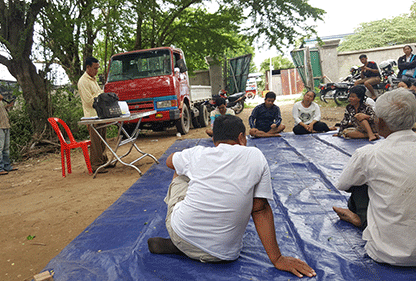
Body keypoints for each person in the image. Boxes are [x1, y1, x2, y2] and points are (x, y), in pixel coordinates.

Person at [148, 115, 316, 278]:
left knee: (181, 170)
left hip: (182, 236)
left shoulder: (197, 153)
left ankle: (183, 239)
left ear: (214, 139)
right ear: (241, 137)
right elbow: (260, 209)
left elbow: (169, 161)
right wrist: (277, 258)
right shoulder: (255, 156)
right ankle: (193, 241)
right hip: (223, 254)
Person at [332, 88, 416, 266]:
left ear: (382, 123)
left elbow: (344, 184)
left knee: (361, 183)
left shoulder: (369, 154)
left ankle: (361, 219)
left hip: (385, 253)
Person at [77, 57, 109, 173]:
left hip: (100, 114)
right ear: (88, 67)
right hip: (91, 116)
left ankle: (104, 161)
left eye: (97, 68)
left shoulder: (93, 79)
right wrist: (101, 98)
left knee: (102, 140)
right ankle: (95, 165)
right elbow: (89, 101)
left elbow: (99, 93)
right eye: (95, 68)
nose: (96, 71)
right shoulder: (83, 82)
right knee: (96, 142)